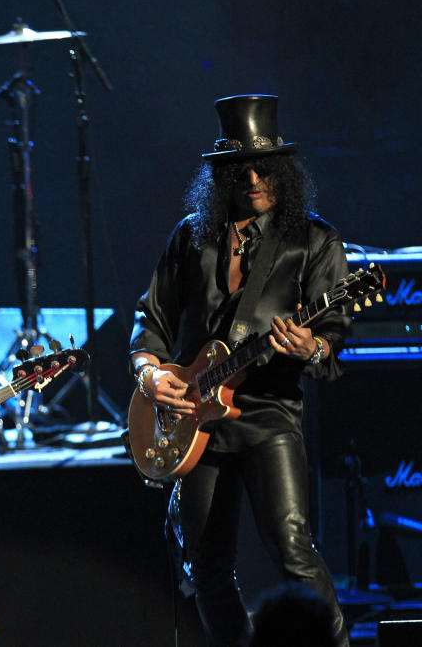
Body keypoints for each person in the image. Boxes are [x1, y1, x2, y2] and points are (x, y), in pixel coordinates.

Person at [129, 95, 350, 646]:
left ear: (283, 171)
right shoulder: (192, 235)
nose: (252, 179)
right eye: (238, 170)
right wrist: (150, 376)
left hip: (267, 413)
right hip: (195, 421)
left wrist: (311, 347)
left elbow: (334, 336)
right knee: (205, 564)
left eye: (263, 168)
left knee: (292, 547)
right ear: (220, 175)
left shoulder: (313, 240)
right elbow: (150, 318)